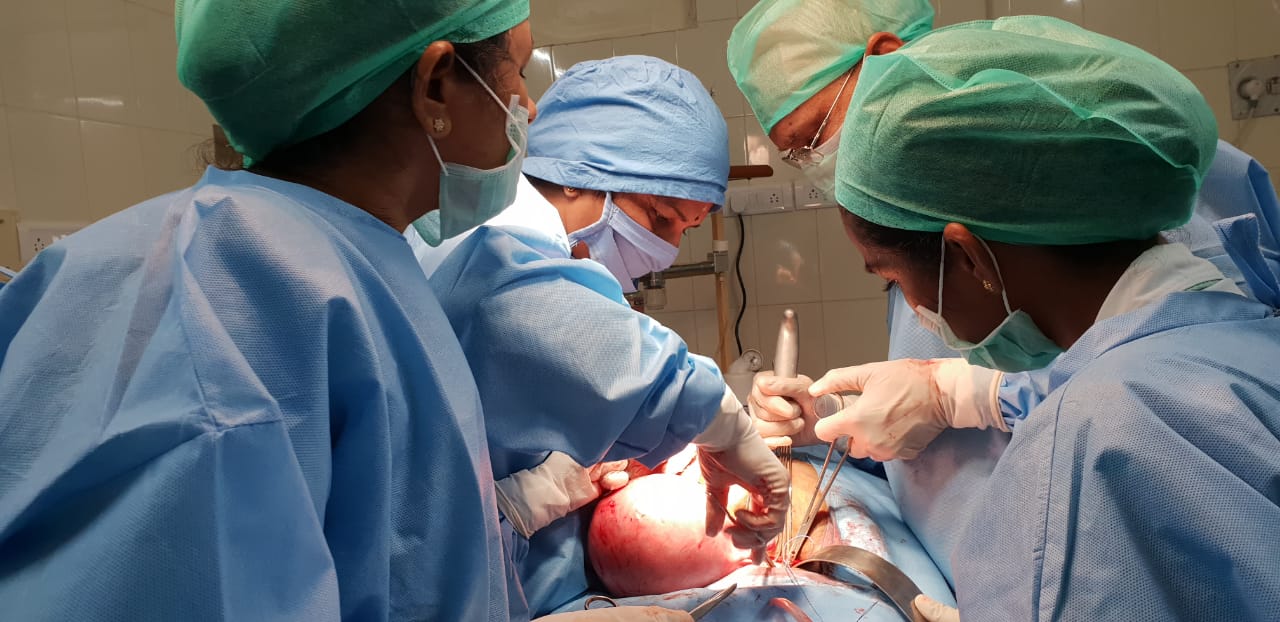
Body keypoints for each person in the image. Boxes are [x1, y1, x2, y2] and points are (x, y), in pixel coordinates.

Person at [0, 2, 690, 621]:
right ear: (436, 84)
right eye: (516, 72)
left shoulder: (353, 265)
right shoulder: (254, 297)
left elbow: (387, 557)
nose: (528, 109)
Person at [733, 0, 1280, 585]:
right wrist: (837, 420)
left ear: (969, 256)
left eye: (812, 137)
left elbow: (1172, 387)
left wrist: (966, 394)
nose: (810, 163)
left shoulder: (1093, 170)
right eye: (792, 154)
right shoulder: (934, 222)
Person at [407, 56, 790, 615]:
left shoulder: (542, 256)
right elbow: (610, 360)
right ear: (575, 175)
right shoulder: (491, 248)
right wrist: (721, 420)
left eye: (684, 230)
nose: (668, 249)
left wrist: (553, 485)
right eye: (660, 217)